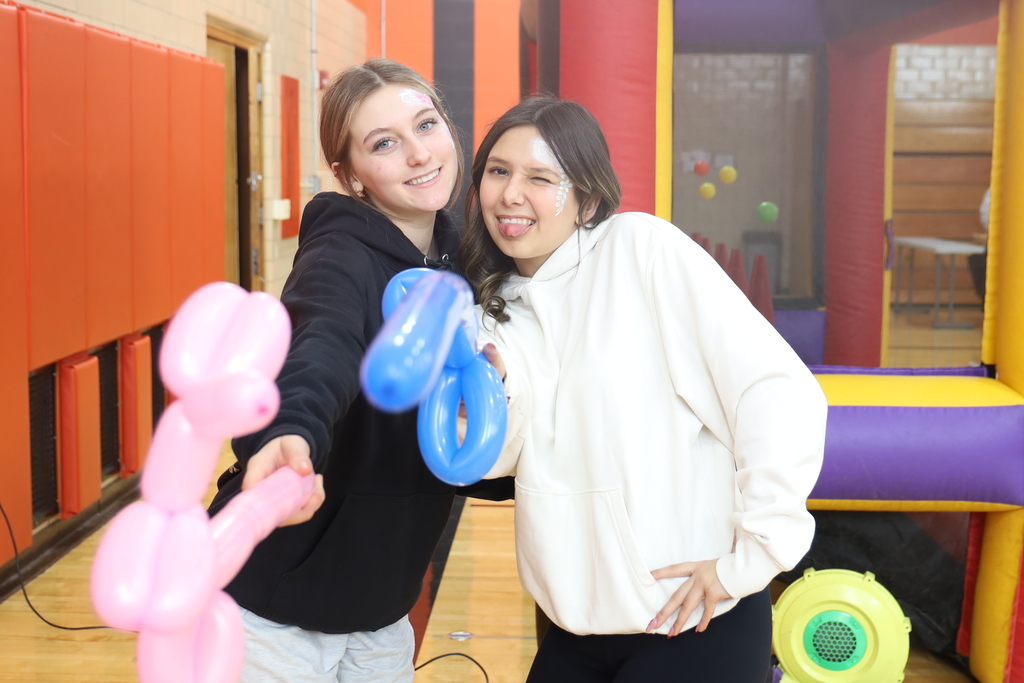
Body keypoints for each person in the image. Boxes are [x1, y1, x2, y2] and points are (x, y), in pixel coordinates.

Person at [459, 98, 828, 682]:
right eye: (498, 171)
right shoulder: (489, 308)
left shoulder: (640, 249)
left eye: (539, 178)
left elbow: (775, 390)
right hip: (575, 626)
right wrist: (483, 399)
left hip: (698, 614)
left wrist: (751, 557)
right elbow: (497, 462)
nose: (509, 194)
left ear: (586, 198)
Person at [208, 59, 510, 683]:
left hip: (380, 611)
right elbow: (321, 338)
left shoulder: (464, 263)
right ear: (351, 176)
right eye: (384, 144)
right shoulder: (341, 253)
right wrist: (288, 429)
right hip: (272, 613)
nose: (418, 154)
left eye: (426, 125)